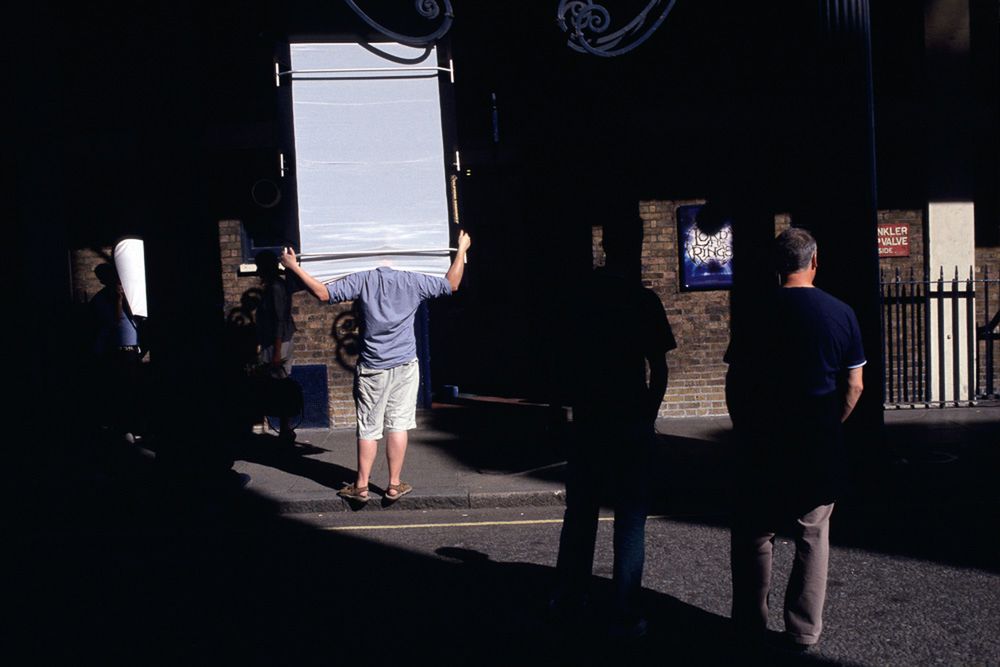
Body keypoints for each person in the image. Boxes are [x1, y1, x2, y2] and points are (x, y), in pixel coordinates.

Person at [728, 227, 865, 651]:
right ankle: (803, 630)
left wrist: (745, 426)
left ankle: (750, 624)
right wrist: (831, 421)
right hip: (817, 444)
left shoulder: (753, 311)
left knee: (755, 535)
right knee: (811, 535)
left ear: (776, 265)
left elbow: (735, 382)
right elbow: (855, 385)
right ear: (814, 262)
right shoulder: (840, 313)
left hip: (762, 443)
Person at [550, 222, 676, 639]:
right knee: (630, 519)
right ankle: (624, 609)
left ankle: (569, 599)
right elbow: (658, 370)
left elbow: (561, 362)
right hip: (630, 421)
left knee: (581, 512)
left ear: (605, 248)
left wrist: (567, 409)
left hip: (589, 419)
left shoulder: (580, 298)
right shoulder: (643, 301)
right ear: (636, 249)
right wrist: (649, 415)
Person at [279, 231, 471, 501]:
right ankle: (393, 485)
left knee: (368, 427)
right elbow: (451, 284)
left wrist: (294, 267)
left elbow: (323, 293)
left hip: (372, 366)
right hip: (405, 364)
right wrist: (461, 249)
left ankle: (361, 486)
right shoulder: (412, 279)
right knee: (398, 424)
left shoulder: (363, 278)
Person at [89, 263, 144, 443]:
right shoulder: (101, 299)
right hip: (116, 352)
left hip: (132, 350)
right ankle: (123, 428)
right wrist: (118, 299)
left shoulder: (129, 296)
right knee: (121, 391)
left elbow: (137, 316)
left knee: (134, 390)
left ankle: (132, 427)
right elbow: (115, 319)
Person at [254, 249, 299, 442]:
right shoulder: (273, 286)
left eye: (259, 266)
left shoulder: (276, 288)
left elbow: (280, 320)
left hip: (278, 342)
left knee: (279, 385)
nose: (257, 270)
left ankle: (285, 429)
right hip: (273, 341)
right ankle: (285, 429)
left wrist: (277, 351)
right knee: (277, 385)